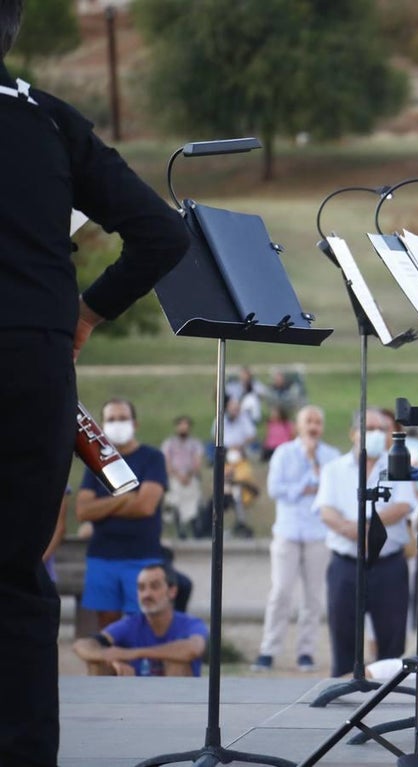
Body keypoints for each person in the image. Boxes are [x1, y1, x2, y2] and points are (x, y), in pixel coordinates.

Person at [0, 5, 188, 758]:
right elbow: (163, 232)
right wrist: (88, 312)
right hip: (36, 361)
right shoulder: (49, 119)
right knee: (18, 574)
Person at [317, 407, 417, 677]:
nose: (376, 434)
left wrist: (366, 526)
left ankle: (388, 692)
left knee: (392, 638)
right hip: (346, 564)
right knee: (343, 636)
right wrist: (352, 530)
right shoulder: (334, 469)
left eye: (381, 429)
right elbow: (326, 510)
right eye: (369, 428)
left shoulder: (399, 465)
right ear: (353, 433)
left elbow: (404, 505)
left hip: (388, 566)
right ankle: (343, 690)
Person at [251, 405, 341, 673]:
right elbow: (275, 489)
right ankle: (269, 649)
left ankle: (306, 652)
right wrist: (304, 485)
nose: (313, 426)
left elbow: (330, 490)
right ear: (299, 426)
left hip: (318, 533)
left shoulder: (331, 456)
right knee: (280, 592)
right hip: (288, 531)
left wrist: (314, 462)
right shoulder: (284, 453)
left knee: (313, 596)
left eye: (317, 421)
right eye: (308, 421)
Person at [76, 399, 169, 629]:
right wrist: (125, 497)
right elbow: (83, 510)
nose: (117, 424)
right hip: (102, 557)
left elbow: (146, 506)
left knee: (143, 622)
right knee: (107, 626)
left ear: (135, 423)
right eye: (111, 419)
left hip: (142, 557)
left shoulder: (152, 458)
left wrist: (103, 505)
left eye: (122, 418)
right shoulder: (96, 461)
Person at [72, 563, 207, 677]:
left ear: (172, 591)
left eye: (154, 586)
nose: (146, 594)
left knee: (177, 662)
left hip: (177, 702)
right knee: (98, 664)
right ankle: (101, 709)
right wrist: (112, 659)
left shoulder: (190, 624)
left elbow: (193, 649)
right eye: (141, 588)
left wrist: (133, 653)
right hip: (134, 696)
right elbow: (81, 645)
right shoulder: (130, 624)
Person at [160, 415, 203, 539]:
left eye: (186, 426)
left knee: (192, 500)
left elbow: (197, 462)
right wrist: (179, 476)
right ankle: (180, 529)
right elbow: (167, 463)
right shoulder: (169, 444)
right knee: (175, 498)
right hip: (175, 477)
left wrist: (188, 475)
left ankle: (194, 529)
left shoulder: (195, 444)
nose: (184, 428)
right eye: (181, 425)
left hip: (190, 477)